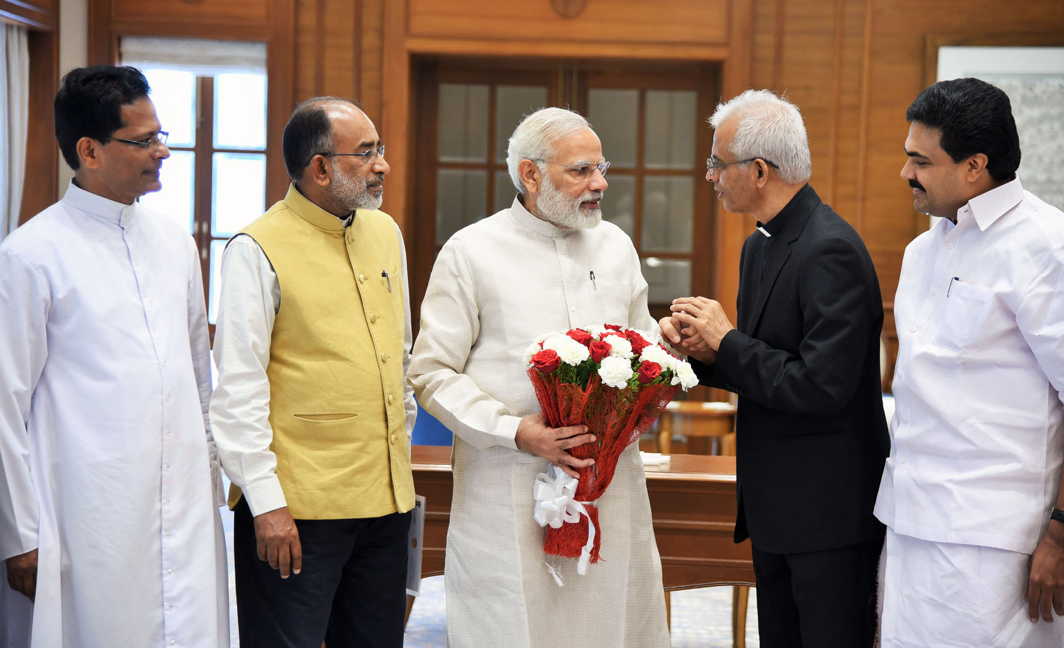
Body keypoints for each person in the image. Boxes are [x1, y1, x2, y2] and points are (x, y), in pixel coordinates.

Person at [409, 107, 669, 648]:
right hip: (506, 481)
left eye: (602, 168)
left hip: (609, 481)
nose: (599, 184)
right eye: (580, 171)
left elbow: (645, 350)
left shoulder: (615, 246)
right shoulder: (470, 251)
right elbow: (431, 372)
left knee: (608, 620)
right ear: (530, 175)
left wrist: (650, 397)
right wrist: (515, 431)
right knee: (512, 623)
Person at [0, 65, 229, 647]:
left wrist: (210, 480)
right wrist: (19, 535)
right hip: (86, 512)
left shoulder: (175, 242)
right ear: (89, 150)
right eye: (144, 140)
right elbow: (5, 406)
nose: (163, 152)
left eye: (162, 135)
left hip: (185, 508)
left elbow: (200, 378)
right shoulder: (30, 255)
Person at [661, 89, 888, 647]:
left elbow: (820, 385)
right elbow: (764, 367)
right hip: (778, 502)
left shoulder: (830, 248)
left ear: (759, 170)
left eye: (718, 162)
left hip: (828, 509)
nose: (710, 175)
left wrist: (727, 340)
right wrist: (700, 351)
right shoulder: (760, 246)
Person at [210, 97, 415, 648]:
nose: (382, 165)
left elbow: (400, 354)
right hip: (296, 511)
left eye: (381, 150)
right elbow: (237, 388)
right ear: (320, 167)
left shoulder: (384, 233)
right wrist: (266, 503)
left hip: (386, 500)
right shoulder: (256, 248)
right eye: (366, 152)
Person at [874, 77, 1064, 646]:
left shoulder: (1046, 247)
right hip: (910, 522)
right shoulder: (921, 250)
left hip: (1000, 542)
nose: (906, 174)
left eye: (920, 161)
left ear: (975, 166)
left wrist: (1060, 533)